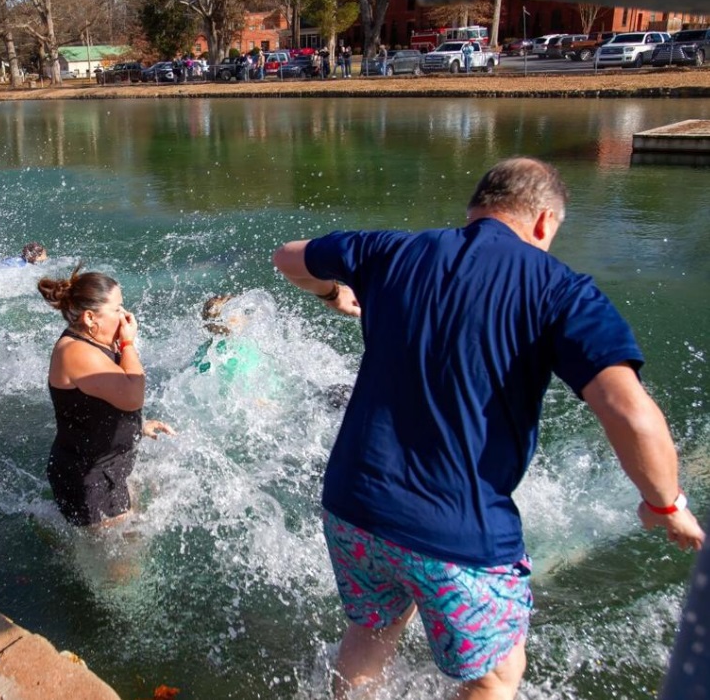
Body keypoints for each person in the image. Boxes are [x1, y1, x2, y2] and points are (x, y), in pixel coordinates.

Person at [271, 157, 704, 699]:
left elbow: (287, 258)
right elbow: (629, 412)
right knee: (496, 676)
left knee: (373, 628)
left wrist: (334, 295)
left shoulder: (391, 249)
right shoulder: (561, 291)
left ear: (476, 209)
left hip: (352, 505)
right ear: (544, 221)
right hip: (457, 534)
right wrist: (665, 504)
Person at [37, 266, 173, 527]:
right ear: (90, 318)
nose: (126, 315)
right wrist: (128, 344)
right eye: (117, 309)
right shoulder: (76, 352)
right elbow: (133, 396)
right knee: (125, 562)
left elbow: (98, 403)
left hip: (104, 467)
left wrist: (137, 428)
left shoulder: (97, 343)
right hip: (91, 479)